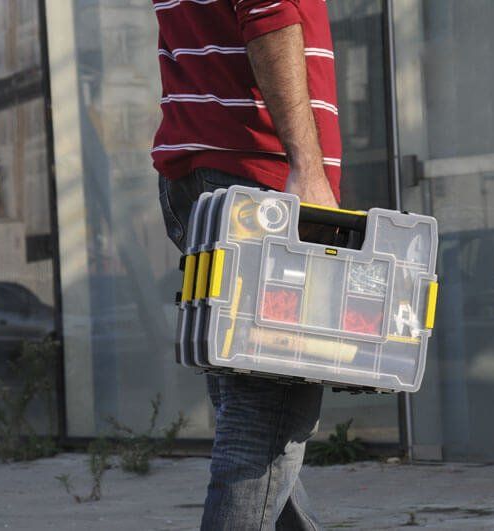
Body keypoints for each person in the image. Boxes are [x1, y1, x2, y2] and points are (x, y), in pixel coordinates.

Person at [152, 0, 342, 529]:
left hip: (202, 180)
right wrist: (307, 167)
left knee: (255, 411)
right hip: (258, 183)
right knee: (269, 416)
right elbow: (270, 16)